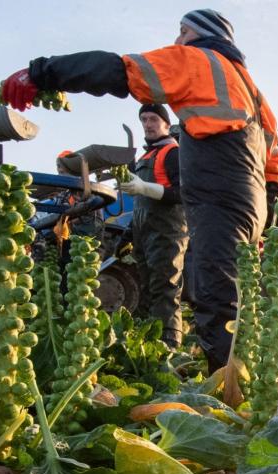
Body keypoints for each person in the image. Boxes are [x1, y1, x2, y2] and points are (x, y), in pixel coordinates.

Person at [1, 9, 278, 371]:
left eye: (183, 31)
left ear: (202, 34)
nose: (178, 39)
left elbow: (120, 71)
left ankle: (232, 393)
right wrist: (268, 207)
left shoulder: (199, 61)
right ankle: (245, 375)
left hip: (218, 195)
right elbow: (273, 158)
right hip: (249, 197)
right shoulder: (253, 92)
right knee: (232, 289)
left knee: (215, 295)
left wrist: (41, 73)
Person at [120, 103, 187, 349]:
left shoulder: (173, 153)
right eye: (144, 120)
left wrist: (144, 187)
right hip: (144, 233)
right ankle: (149, 346)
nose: (148, 124)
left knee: (166, 289)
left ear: (166, 124)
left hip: (168, 232)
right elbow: (139, 205)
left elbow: (183, 193)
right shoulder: (145, 157)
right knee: (146, 291)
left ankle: (169, 349)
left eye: (153, 120)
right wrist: (127, 235)